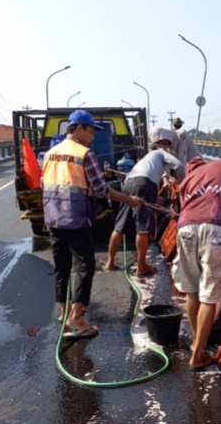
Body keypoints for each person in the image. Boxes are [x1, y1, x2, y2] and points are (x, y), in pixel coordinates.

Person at [42, 110, 144, 339]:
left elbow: (45, 184)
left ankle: (64, 311)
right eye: (90, 131)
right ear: (78, 129)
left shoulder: (50, 153)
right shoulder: (84, 154)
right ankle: (76, 317)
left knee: (62, 266)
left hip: (53, 218)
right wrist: (129, 200)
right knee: (85, 266)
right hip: (75, 218)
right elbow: (100, 189)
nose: (93, 136)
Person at [171, 156, 221, 370]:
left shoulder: (186, 181)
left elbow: (183, 208)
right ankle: (198, 355)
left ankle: (198, 343)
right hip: (216, 228)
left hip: (185, 230)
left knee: (192, 291)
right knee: (210, 293)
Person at [105, 127, 184, 275]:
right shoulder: (161, 153)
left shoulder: (148, 162)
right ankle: (141, 267)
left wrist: (168, 200)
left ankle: (110, 262)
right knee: (143, 227)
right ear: (165, 144)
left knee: (120, 226)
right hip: (144, 184)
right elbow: (179, 165)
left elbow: (149, 201)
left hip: (129, 184)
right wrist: (186, 184)